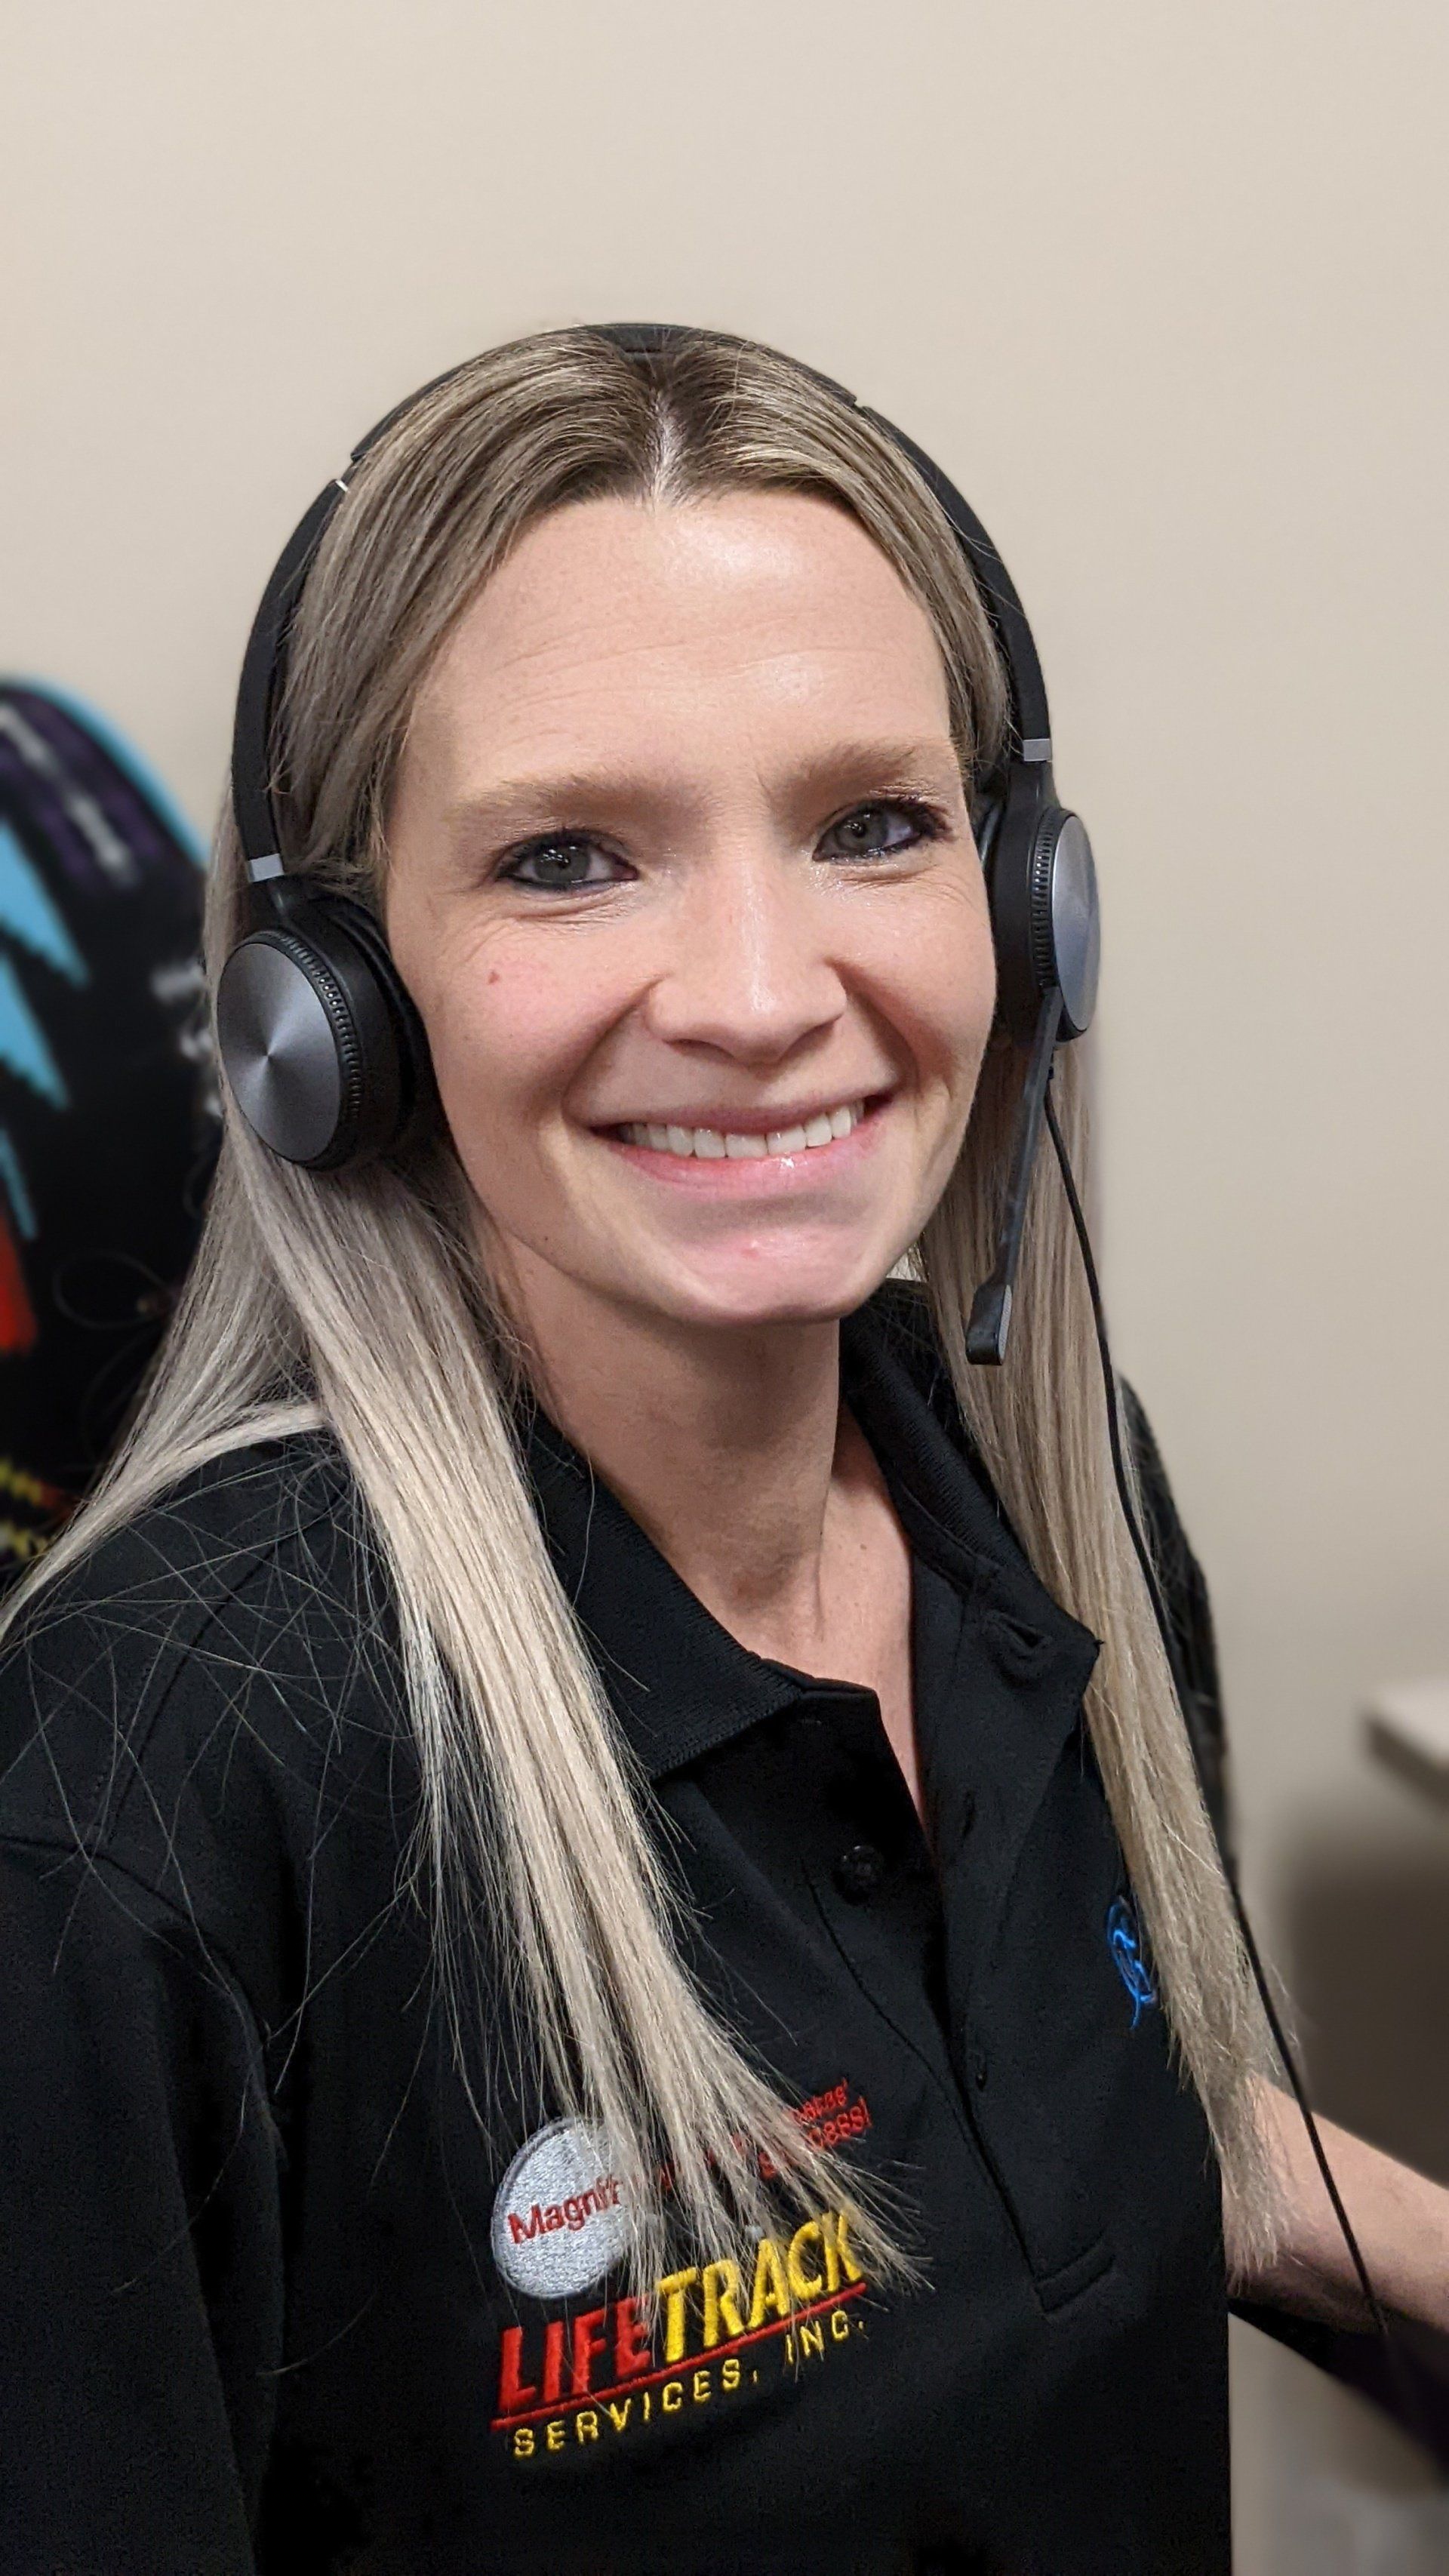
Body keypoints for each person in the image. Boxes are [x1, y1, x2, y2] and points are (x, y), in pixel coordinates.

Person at [0, 325, 1443, 2576]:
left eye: (875, 825)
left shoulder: (1059, 1502)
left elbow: (1098, 2129)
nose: (761, 994)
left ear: (1031, 906)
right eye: (572, 858)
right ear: (335, 1007)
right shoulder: (148, 1799)